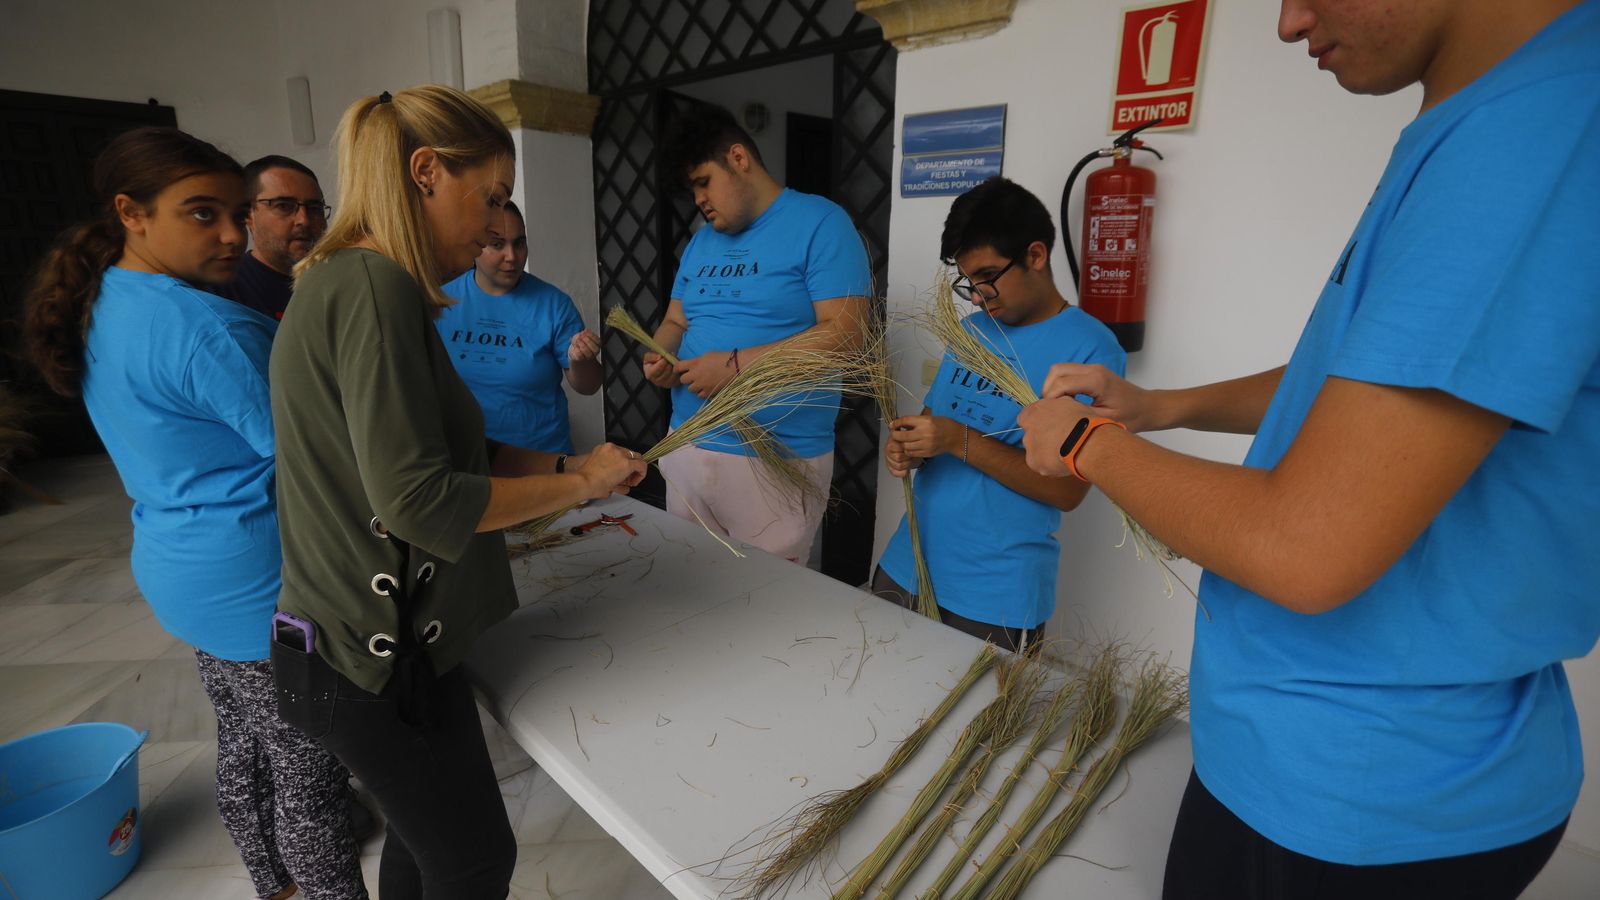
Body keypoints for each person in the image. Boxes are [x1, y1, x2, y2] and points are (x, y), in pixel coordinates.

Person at [1015, 2, 1600, 897]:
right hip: (1326, 763)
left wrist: (1089, 443)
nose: (1288, 22)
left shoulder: (1533, 132)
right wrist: (1159, 404)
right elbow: (1360, 381)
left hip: (1366, 797)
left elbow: (1306, 546)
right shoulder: (1486, 114)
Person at [269, 85, 645, 899]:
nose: (492, 230)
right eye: (492, 199)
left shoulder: (350, 280)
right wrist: (579, 484)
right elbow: (420, 499)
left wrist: (564, 469)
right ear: (427, 172)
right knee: (473, 862)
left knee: (428, 844)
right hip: (369, 658)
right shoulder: (375, 287)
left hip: (384, 648)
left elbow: (456, 451)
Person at [23, 126, 364, 900]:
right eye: (202, 214)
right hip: (256, 583)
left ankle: (272, 883)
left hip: (182, 571)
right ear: (131, 212)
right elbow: (310, 454)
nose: (232, 235)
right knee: (311, 777)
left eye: (237, 213)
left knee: (245, 738)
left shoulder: (107, 295)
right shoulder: (207, 326)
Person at [873, 178, 1125, 651]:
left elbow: (1066, 490)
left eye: (988, 275)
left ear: (1035, 255)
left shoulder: (1090, 349)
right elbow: (936, 421)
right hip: (907, 565)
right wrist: (910, 446)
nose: (979, 294)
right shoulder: (971, 331)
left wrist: (956, 440)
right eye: (969, 281)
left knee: (972, 724)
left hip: (994, 597)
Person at [644, 103, 871, 564]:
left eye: (703, 182)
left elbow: (848, 335)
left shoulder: (821, 224)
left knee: (765, 607)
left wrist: (734, 366)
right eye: (691, 191)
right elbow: (676, 321)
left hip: (775, 462)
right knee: (686, 588)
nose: (699, 200)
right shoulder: (702, 241)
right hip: (686, 441)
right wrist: (660, 353)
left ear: (739, 158)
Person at [437, 200, 600, 455]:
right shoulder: (440, 303)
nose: (512, 256)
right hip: (469, 465)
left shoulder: (554, 305)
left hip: (544, 462)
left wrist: (580, 360)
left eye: (519, 243)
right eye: (497, 244)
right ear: (476, 243)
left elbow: (588, 386)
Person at [221, 155, 329, 320]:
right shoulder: (225, 292)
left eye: (314, 208)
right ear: (247, 215)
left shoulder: (338, 283)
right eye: (283, 206)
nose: (304, 220)